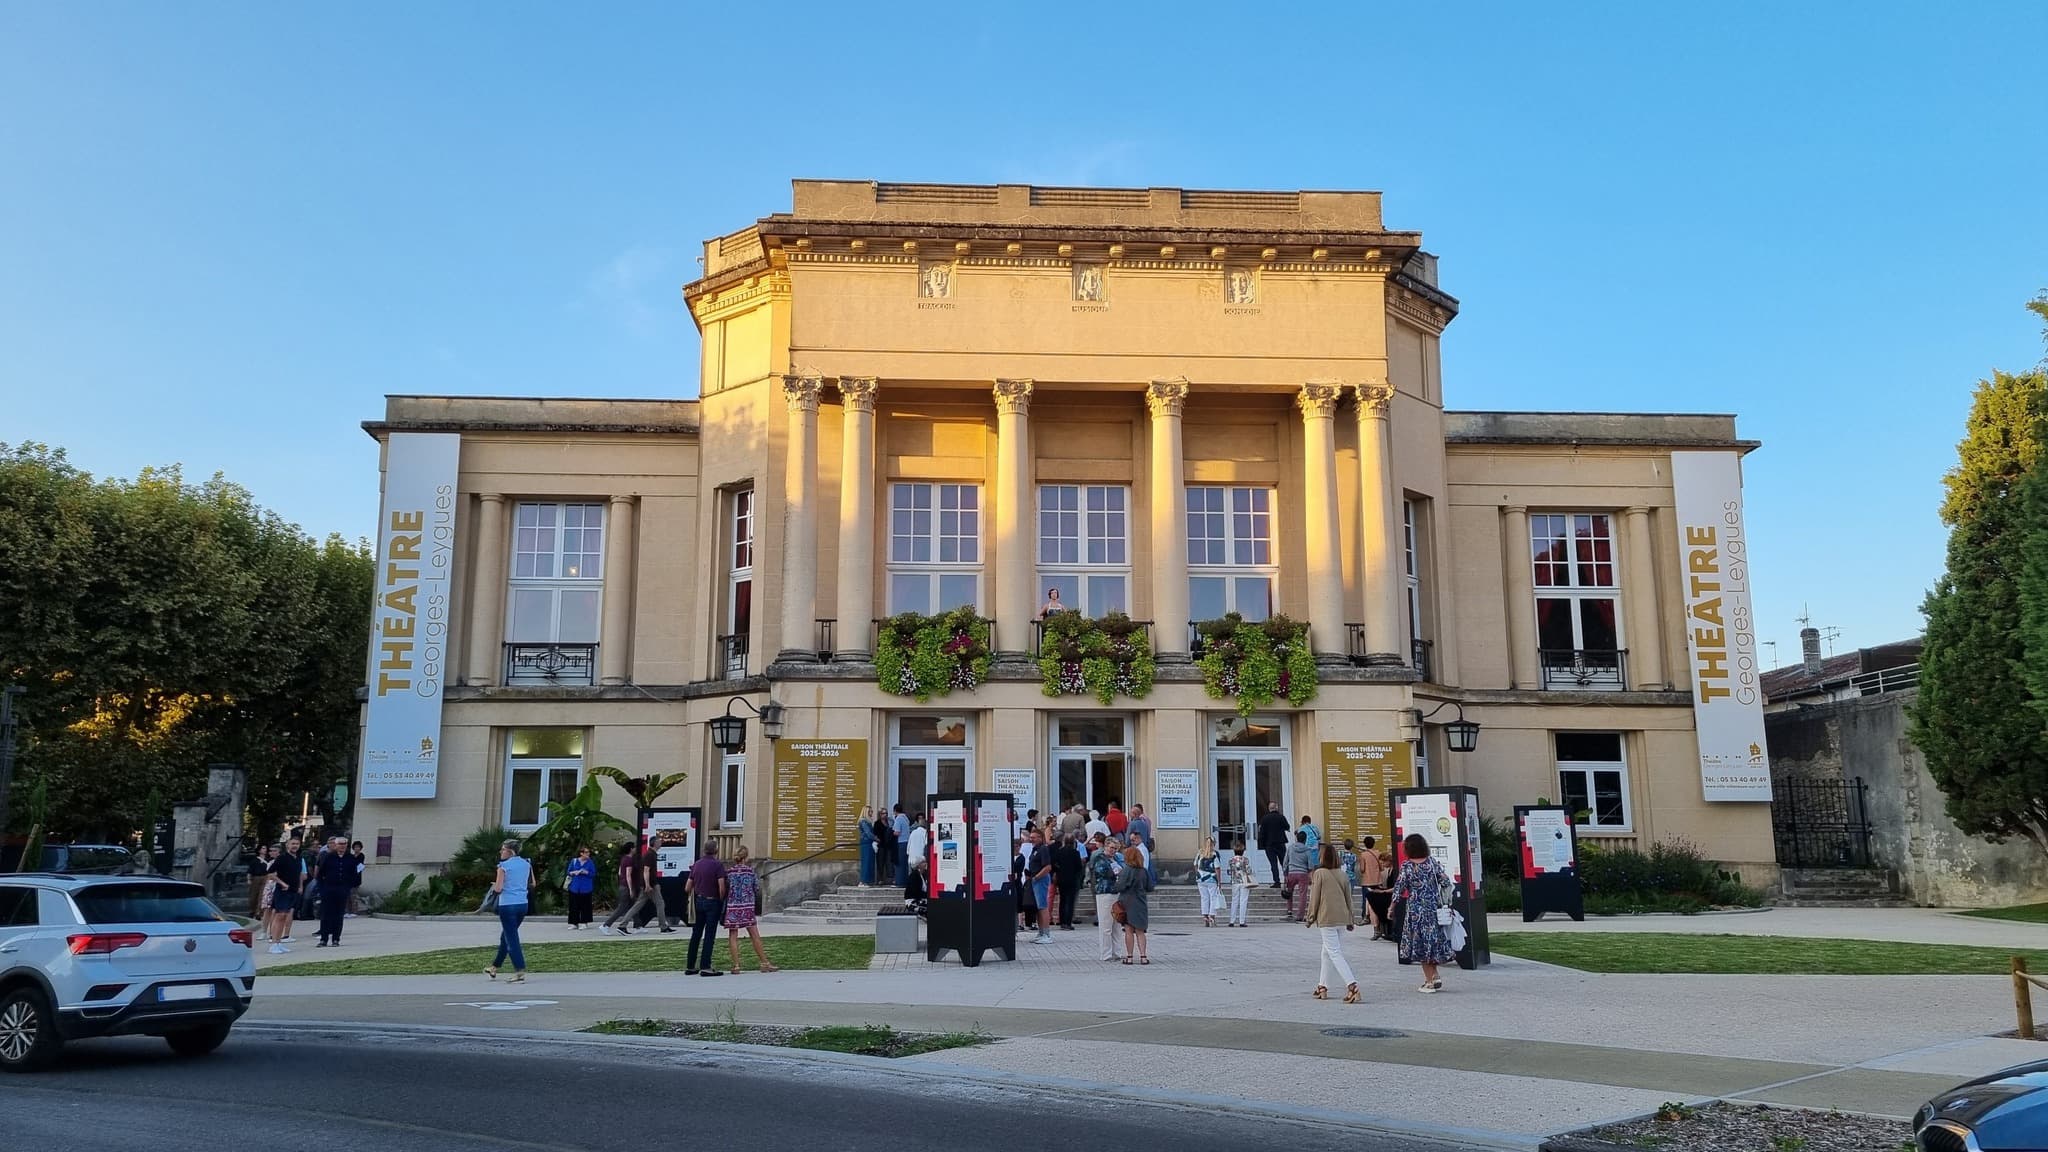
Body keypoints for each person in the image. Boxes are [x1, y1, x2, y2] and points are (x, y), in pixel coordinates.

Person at [1392, 833, 1457, 992]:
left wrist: (1391, 907)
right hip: (1433, 909)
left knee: (1420, 944)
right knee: (1431, 942)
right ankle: (1434, 975)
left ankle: (1429, 982)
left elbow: (1399, 888)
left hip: (1416, 911)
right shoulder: (1432, 863)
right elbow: (1446, 882)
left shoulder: (1407, 866)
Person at [1306, 843, 1361, 1003]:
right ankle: (1322, 986)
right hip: (1342, 917)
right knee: (1327, 952)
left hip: (1327, 917)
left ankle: (1352, 985)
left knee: (1334, 953)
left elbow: (1315, 897)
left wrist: (1310, 917)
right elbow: (1348, 898)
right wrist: (1351, 918)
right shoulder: (1342, 874)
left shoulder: (1319, 873)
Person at [602, 837, 675, 935]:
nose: (661, 843)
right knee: (659, 904)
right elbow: (645, 870)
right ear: (655, 843)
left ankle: (625, 925)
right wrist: (647, 885)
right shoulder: (649, 855)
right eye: (659, 842)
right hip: (650, 885)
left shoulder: (648, 855)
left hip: (648, 884)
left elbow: (621, 872)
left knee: (638, 905)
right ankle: (663, 927)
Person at [722, 845, 777, 973]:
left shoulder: (729, 873)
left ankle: (736, 965)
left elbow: (726, 888)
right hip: (747, 906)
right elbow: (756, 888)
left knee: (733, 935)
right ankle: (764, 962)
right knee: (754, 934)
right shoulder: (750, 872)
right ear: (745, 857)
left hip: (733, 906)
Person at [484, 839, 530, 982]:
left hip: (508, 904)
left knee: (511, 938)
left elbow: (498, 888)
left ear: (510, 851)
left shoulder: (503, 866)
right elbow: (532, 883)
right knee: (506, 936)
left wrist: (495, 885)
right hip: (522, 904)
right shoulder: (526, 864)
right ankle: (494, 966)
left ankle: (519, 970)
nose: (501, 852)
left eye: (503, 849)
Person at [684, 841, 728, 977]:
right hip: (712, 901)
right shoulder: (717, 865)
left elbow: (687, 887)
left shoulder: (697, 864)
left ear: (704, 850)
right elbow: (721, 886)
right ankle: (705, 966)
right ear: (716, 850)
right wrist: (721, 900)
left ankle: (690, 965)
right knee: (709, 935)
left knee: (696, 934)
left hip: (699, 901)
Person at [266, 836, 302, 953]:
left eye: (297, 844)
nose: (295, 846)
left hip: (293, 891)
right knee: (279, 916)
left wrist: (300, 886)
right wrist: (282, 883)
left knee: (285, 916)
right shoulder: (282, 858)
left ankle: (278, 942)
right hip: (282, 891)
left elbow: (299, 874)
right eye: (293, 843)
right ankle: (273, 943)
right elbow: (270, 874)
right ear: (287, 845)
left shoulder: (298, 858)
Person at [1088, 834, 1122, 960]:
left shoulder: (1116, 859)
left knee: (1117, 925)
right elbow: (1104, 872)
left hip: (1116, 892)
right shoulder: (1099, 858)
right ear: (1106, 846)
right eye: (1111, 848)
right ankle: (1106, 954)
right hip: (1105, 892)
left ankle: (1117, 952)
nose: (1113, 850)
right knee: (1106, 925)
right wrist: (1117, 872)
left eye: (1115, 848)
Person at [1114, 844, 1150, 964]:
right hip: (1140, 902)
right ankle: (1143, 956)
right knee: (1140, 931)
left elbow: (1119, 887)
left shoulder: (1125, 871)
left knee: (1128, 930)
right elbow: (1150, 887)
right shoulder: (1144, 871)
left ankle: (1129, 957)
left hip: (1127, 902)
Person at [315, 835, 353, 947]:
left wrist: (348, 887)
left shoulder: (350, 858)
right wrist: (322, 889)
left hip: (342, 889)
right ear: (336, 845)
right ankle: (324, 939)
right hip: (329, 889)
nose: (342, 846)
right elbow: (320, 874)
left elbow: (354, 874)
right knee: (326, 914)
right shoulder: (328, 857)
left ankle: (336, 939)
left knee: (339, 915)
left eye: (344, 844)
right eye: (340, 844)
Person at [1359, 835, 1393, 939]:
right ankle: (1376, 926)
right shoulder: (1378, 853)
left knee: (1368, 901)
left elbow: (1362, 869)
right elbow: (1381, 868)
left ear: (1365, 844)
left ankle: (1367, 918)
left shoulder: (1363, 855)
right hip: (1378, 880)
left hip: (1367, 881)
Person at [1022, 828, 1053, 944]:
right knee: (1038, 907)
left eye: (1034, 837)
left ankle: (1046, 934)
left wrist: (1036, 877)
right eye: (1030, 837)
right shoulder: (1035, 849)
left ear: (1040, 838)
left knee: (1042, 906)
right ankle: (1041, 932)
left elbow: (1047, 867)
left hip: (1040, 880)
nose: (1031, 839)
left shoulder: (1043, 849)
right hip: (1034, 879)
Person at [1051, 832, 1084, 930]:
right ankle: (1068, 922)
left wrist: (1059, 870)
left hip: (1061, 878)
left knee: (1062, 900)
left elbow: (1053, 863)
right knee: (1070, 901)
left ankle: (1062, 922)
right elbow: (1079, 866)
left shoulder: (1059, 851)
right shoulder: (1075, 853)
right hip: (1072, 879)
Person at [1283, 831, 1317, 921]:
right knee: (1302, 895)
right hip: (1303, 874)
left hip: (1291, 873)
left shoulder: (1290, 848)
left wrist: (1285, 874)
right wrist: (1309, 872)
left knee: (1289, 892)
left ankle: (1289, 911)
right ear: (1305, 840)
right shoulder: (1307, 850)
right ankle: (1300, 916)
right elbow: (1310, 865)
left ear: (1296, 838)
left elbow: (1285, 862)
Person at [1257, 803, 1292, 890]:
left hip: (1269, 844)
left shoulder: (1264, 819)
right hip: (1280, 843)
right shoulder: (1281, 817)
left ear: (1269, 809)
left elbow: (1262, 833)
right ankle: (1288, 880)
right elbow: (1287, 827)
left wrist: (1262, 844)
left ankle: (1277, 882)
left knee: (1273, 863)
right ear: (1276, 808)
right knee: (1284, 863)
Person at [1191, 837, 1222, 927]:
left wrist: (1198, 874)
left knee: (1204, 898)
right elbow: (1217, 868)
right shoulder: (1214, 854)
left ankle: (1205, 917)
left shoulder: (1200, 853)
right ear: (1214, 844)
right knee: (1213, 898)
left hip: (1201, 879)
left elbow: (1195, 864)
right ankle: (1211, 916)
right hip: (1212, 879)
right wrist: (1219, 881)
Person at [565, 847, 597, 929]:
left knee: (585, 906)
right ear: (581, 853)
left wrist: (586, 872)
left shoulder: (590, 862)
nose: (588, 854)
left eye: (588, 852)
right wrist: (574, 872)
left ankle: (584, 922)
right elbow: (568, 872)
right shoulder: (574, 861)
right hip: (575, 887)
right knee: (573, 906)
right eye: (586, 852)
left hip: (586, 887)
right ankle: (574, 923)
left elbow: (593, 874)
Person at [1226, 840, 1255, 927]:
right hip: (1244, 881)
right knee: (1243, 901)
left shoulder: (1231, 860)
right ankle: (1242, 921)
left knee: (1234, 900)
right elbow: (1249, 871)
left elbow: (1229, 871)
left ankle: (1232, 921)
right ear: (1243, 851)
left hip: (1235, 882)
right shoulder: (1245, 860)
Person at [1128, 804, 1155, 883]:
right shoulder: (1145, 822)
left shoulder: (1132, 823)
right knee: (1147, 864)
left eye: (1131, 813)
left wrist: (1127, 845)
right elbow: (1148, 833)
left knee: (1139, 864)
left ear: (1135, 814)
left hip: (1136, 847)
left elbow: (1128, 837)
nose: (1129, 815)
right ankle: (1151, 880)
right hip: (1145, 844)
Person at [248, 844, 274, 920]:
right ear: (259, 850)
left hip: (265, 877)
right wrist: (249, 879)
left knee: (262, 896)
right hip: (256, 878)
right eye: (263, 848)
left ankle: (259, 913)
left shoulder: (268, 860)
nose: (264, 850)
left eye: (265, 848)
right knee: (253, 896)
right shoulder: (254, 860)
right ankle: (252, 911)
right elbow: (250, 871)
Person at [891, 804, 912, 885]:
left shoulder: (898, 819)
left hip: (900, 842)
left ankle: (899, 881)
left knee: (899, 862)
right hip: (906, 842)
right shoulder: (906, 818)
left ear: (895, 811)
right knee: (904, 863)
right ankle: (904, 880)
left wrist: (890, 832)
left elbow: (897, 832)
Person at [857, 807, 877, 888]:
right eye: (870, 812)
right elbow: (868, 833)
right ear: (866, 812)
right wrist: (876, 838)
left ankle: (868, 881)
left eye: (872, 811)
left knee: (869, 862)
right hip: (866, 843)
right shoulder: (863, 821)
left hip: (869, 843)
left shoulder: (867, 821)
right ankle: (863, 881)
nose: (871, 813)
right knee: (866, 862)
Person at [347, 840, 367, 916]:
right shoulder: (351, 856)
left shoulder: (361, 856)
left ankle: (354, 911)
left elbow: (360, 866)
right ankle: (348, 911)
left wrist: (354, 871)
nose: (357, 848)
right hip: (349, 878)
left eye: (358, 847)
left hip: (356, 878)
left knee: (353, 896)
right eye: (355, 847)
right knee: (348, 896)